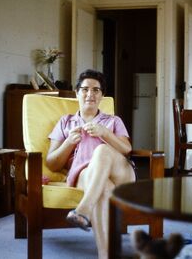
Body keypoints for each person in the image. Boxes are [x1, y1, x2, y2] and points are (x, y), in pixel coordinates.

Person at [46, 69, 136, 258]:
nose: (90, 94)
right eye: (85, 89)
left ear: (102, 95)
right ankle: (105, 255)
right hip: (85, 175)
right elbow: (52, 163)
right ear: (77, 93)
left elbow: (126, 149)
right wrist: (68, 143)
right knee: (102, 187)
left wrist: (105, 133)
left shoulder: (113, 121)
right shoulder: (65, 122)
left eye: (96, 90)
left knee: (102, 150)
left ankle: (83, 209)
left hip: (121, 173)